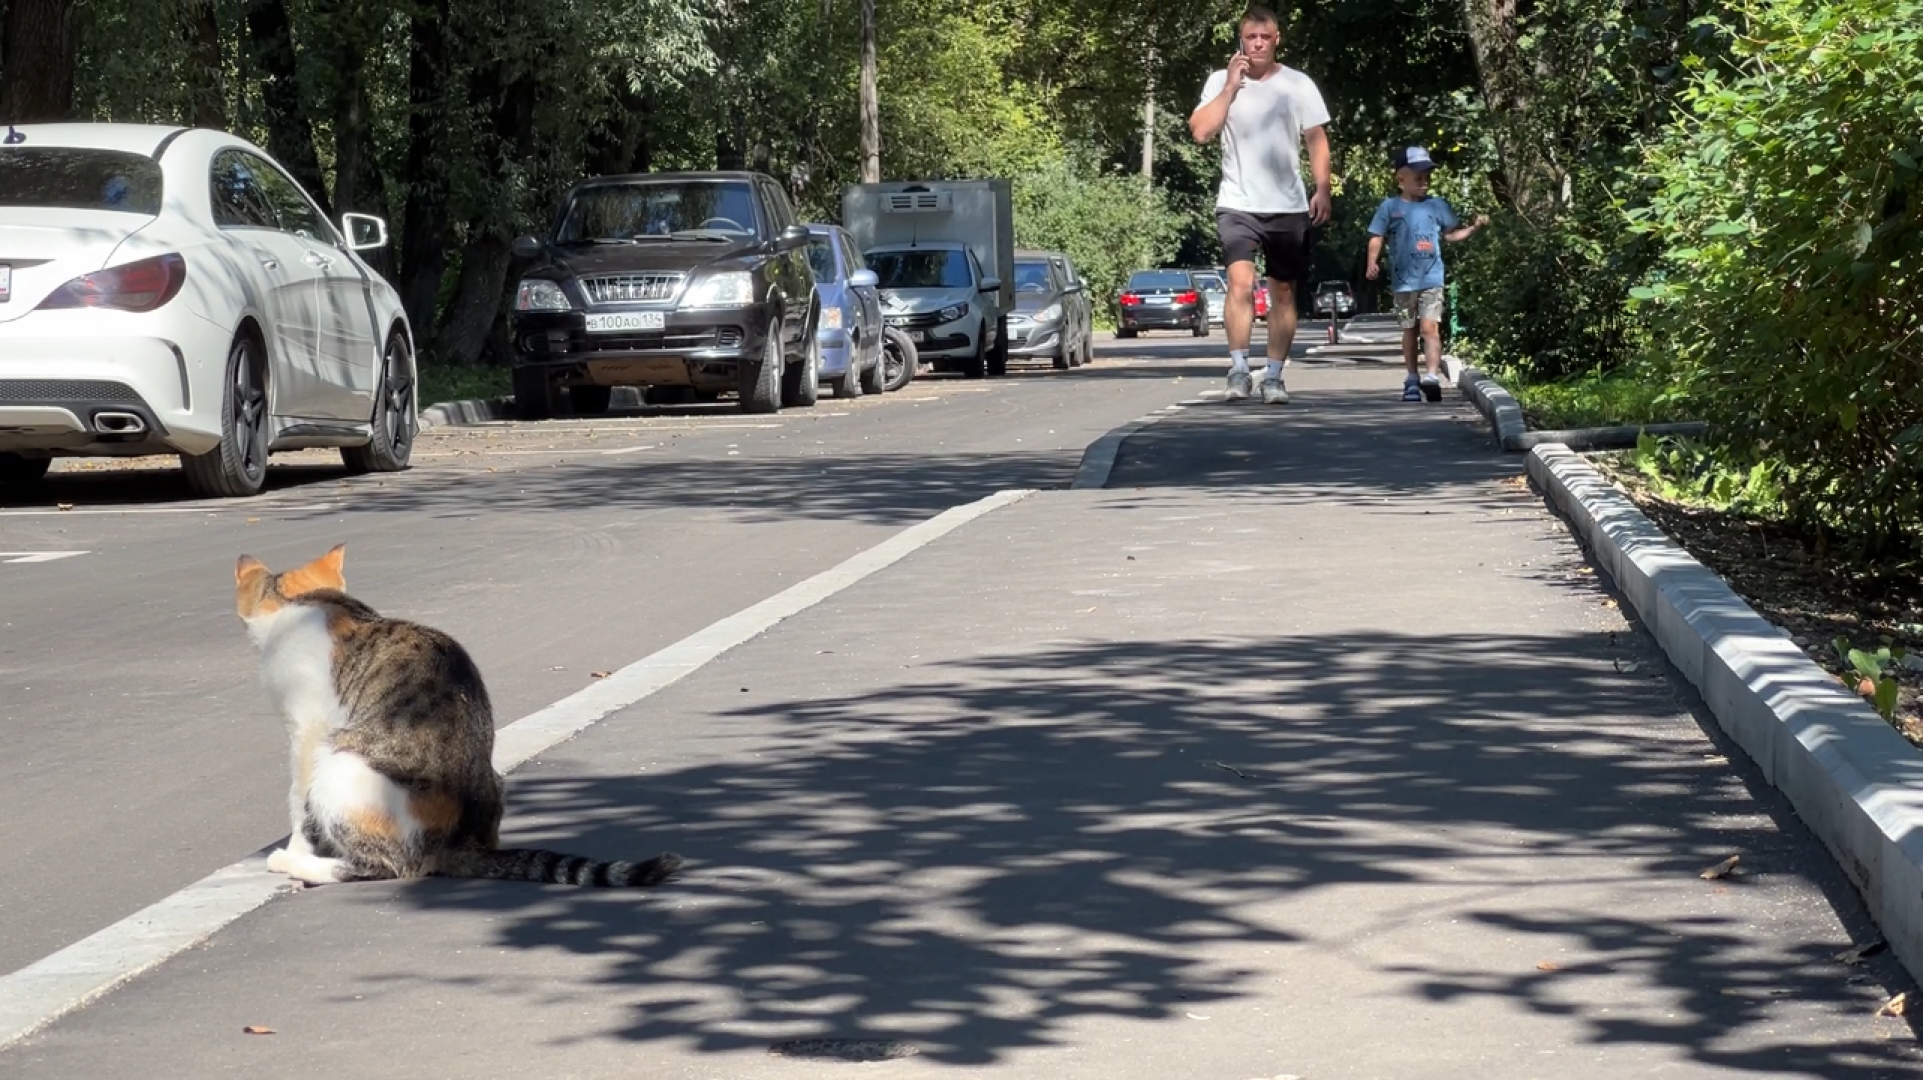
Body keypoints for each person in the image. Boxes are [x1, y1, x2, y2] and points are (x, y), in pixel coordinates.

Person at [1188, 4, 1332, 405]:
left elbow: (1316, 138)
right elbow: (1200, 132)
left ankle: (1273, 376)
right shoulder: (1220, 81)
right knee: (1239, 283)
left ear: (1276, 39)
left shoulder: (1298, 84)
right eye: (1250, 37)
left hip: (1287, 205)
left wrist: (1322, 188)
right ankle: (1238, 369)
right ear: (1241, 40)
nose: (1257, 44)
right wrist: (1230, 88)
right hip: (1237, 202)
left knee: (1283, 290)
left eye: (1264, 37)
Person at [1365, 146, 1488, 402]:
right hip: (1403, 282)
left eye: (1427, 177)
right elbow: (1376, 236)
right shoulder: (1390, 207)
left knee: (1430, 327)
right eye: (1418, 177)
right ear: (1401, 179)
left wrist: (1473, 228)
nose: (1425, 182)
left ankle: (1431, 377)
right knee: (1409, 329)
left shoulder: (1437, 205)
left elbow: (1450, 235)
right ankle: (1412, 378)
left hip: (1432, 278)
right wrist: (1372, 262)